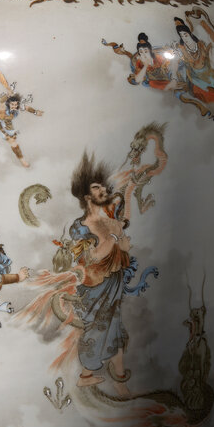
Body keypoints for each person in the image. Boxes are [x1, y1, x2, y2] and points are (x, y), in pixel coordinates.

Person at [68, 152, 132, 387]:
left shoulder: (107, 221)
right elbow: (93, 256)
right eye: (97, 187)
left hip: (113, 281)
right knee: (99, 328)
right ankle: (86, 376)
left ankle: (119, 374)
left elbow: (124, 245)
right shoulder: (80, 228)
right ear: (87, 197)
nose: (103, 190)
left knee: (114, 325)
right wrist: (114, 236)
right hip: (95, 286)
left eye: (103, 186)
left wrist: (129, 193)